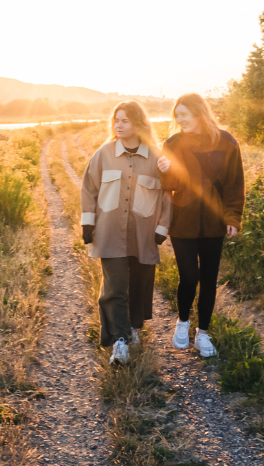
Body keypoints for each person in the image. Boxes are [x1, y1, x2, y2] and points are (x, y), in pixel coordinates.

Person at [81, 100, 171, 364]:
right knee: (114, 287)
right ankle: (119, 341)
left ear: (138, 124)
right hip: (109, 232)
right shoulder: (104, 153)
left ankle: (132, 328)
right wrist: (88, 223)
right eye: (116, 121)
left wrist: (162, 227)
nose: (118, 126)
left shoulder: (156, 157)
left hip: (143, 235)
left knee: (139, 286)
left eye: (125, 121)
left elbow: (168, 195)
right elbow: (89, 188)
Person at [157, 93, 245, 357]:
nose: (180, 120)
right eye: (177, 115)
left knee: (208, 279)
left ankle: (203, 334)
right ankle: (183, 322)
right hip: (182, 221)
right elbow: (171, 186)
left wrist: (233, 218)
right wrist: (165, 170)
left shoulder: (226, 142)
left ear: (199, 113)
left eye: (185, 114)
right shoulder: (172, 143)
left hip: (214, 221)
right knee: (189, 276)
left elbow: (234, 183)